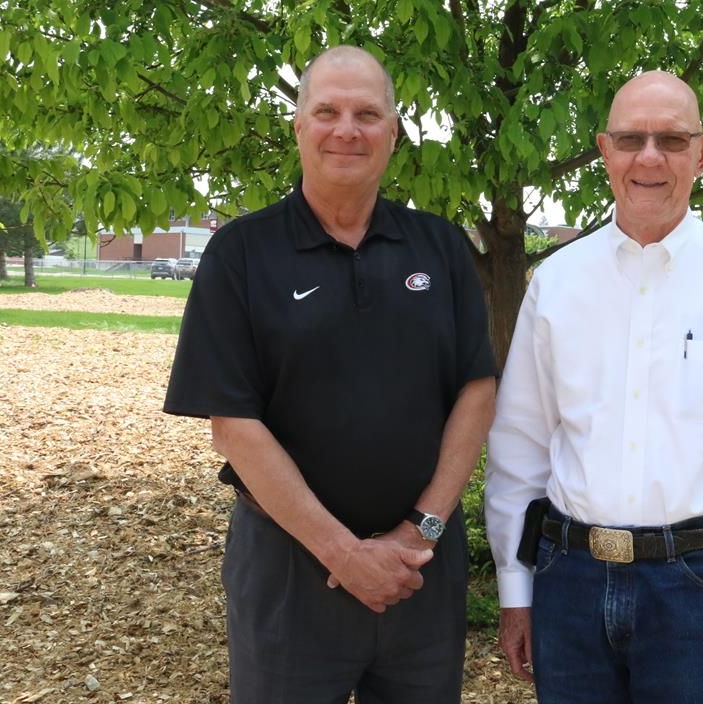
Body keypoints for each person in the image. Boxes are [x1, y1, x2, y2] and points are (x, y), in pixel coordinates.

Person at [163, 45, 496, 704]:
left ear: (393, 133)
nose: (347, 129)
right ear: (299, 127)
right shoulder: (241, 253)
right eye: (328, 112)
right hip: (289, 574)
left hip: (421, 572)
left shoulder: (441, 247)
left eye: (367, 114)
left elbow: (477, 390)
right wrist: (343, 553)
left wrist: (421, 530)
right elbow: (233, 426)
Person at [484, 70, 703, 704]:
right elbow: (520, 446)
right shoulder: (556, 283)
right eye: (630, 139)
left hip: (700, 592)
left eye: (671, 140)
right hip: (568, 584)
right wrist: (515, 587)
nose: (649, 157)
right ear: (604, 150)